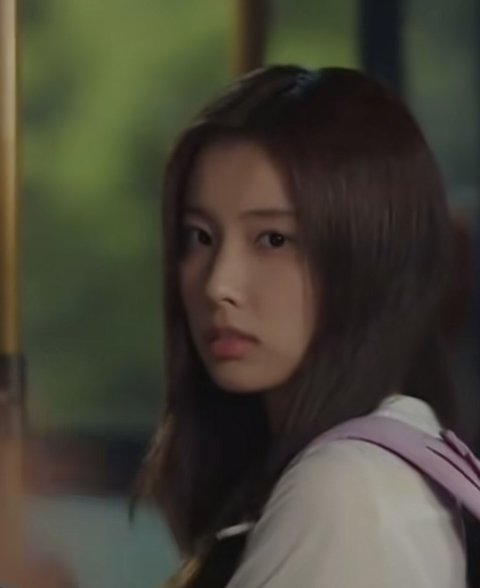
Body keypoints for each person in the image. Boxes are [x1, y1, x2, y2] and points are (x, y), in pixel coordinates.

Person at [140, 65, 474, 587]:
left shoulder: (346, 490)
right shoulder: (400, 455)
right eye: (200, 237)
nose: (218, 285)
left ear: (369, 256)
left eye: (273, 240)